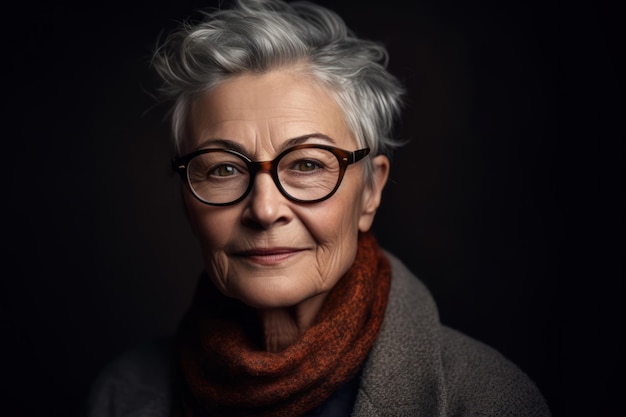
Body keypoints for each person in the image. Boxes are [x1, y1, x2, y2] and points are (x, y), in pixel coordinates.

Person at [86, 0, 551, 415]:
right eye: (224, 169)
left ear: (370, 192)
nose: (265, 210)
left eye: (307, 164)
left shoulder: (489, 399)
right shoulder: (121, 395)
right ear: (185, 198)